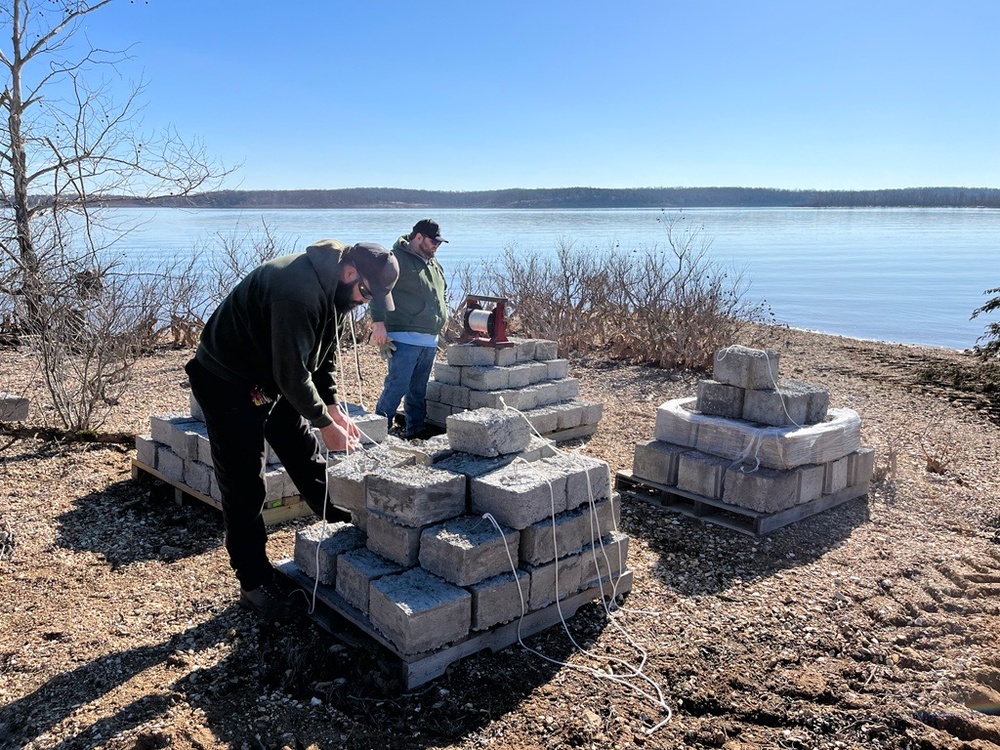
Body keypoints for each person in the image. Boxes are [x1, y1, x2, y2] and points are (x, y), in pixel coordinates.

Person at [185, 239, 399, 620]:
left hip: (267, 374)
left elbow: (324, 353)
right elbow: (292, 375)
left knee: (302, 451)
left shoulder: (336, 288)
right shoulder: (297, 293)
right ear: (350, 273)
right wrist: (323, 423)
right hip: (227, 379)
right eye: (366, 293)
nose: (366, 302)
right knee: (245, 481)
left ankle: (341, 526)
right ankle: (253, 581)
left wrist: (331, 405)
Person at [370, 219, 449, 439]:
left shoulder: (434, 263)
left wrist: (442, 319)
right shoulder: (395, 260)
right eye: (433, 241)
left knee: (418, 390)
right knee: (397, 387)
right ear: (419, 237)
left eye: (439, 243)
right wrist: (378, 324)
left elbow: (440, 294)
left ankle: (416, 430)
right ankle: (378, 431)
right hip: (403, 337)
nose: (436, 246)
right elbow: (378, 291)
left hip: (429, 340)